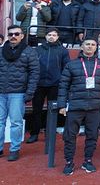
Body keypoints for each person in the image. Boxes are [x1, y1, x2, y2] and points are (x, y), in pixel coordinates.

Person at [58, 38, 100, 175]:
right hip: (76, 106)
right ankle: (69, 162)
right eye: (87, 44)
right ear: (82, 47)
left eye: (93, 45)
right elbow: (63, 86)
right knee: (70, 136)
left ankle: (88, 161)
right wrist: (62, 105)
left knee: (92, 135)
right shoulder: (72, 64)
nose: (90, 47)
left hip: (94, 107)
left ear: (96, 48)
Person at [0, 26, 39, 161]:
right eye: (10, 34)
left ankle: (14, 149)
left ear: (22, 36)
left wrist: (30, 92)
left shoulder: (29, 52)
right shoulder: (1, 51)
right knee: (0, 122)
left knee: (16, 123)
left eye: (17, 34)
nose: (13, 36)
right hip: (1, 93)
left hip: (18, 93)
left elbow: (35, 73)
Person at [28, 28, 69, 143]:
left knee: (52, 110)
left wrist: (61, 80)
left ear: (58, 37)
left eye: (54, 35)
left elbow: (66, 68)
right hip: (39, 84)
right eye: (49, 34)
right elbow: (32, 66)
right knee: (37, 110)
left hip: (55, 84)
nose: (52, 37)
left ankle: (49, 133)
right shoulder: (37, 50)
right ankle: (34, 133)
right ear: (45, 36)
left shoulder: (63, 51)